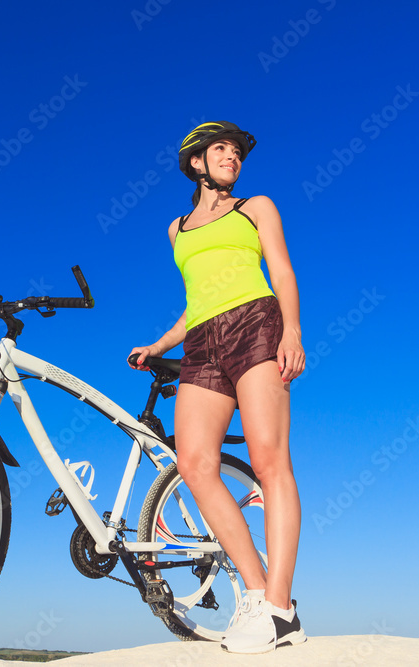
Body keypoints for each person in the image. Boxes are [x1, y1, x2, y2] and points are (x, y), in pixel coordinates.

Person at [128, 121, 306, 654]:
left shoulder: (257, 207)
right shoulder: (176, 229)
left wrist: (291, 331)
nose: (233, 157)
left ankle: (280, 606)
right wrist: (160, 346)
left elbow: (280, 268)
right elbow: (199, 298)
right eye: (221, 149)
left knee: (270, 460)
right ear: (195, 163)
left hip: (257, 323)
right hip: (204, 342)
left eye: (238, 152)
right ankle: (255, 591)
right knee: (195, 464)